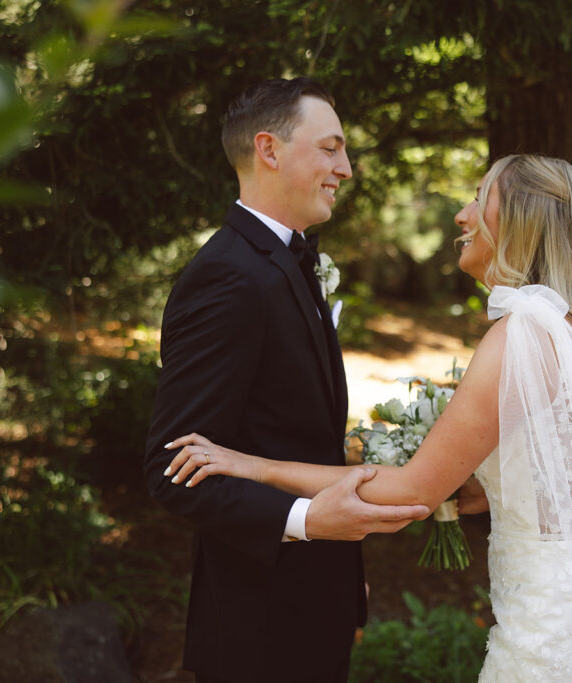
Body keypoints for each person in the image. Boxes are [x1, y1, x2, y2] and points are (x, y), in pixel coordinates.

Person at [163, 154, 572, 681]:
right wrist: (477, 488)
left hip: (552, 635)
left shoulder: (521, 335)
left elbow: (412, 491)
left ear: (520, 219)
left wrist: (252, 466)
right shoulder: (570, 330)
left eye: (480, 198)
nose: (462, 214)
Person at [143, 78, 428, 683]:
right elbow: (173, 469)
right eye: (331, 149)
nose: (346, 169)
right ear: (269, 150)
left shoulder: (284, 260)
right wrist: (305, 522)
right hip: (258, 624)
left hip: (313, 601)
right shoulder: (227, 276)